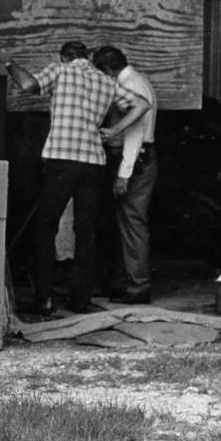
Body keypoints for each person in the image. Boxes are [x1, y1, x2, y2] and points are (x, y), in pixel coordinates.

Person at [0, 42, 151, 314]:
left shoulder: (60, 71)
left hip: (62, 160)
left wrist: (9, 64)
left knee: (46, 227)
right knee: (86, 232)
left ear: (64, 57)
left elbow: (29, 85)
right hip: (93, 162)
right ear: (86, 58)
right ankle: (80, 299)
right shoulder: (105, 81)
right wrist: (114, 130)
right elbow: (142, 104)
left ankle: (44, 298)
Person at [92, 45, 158, 305]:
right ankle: (130, 282)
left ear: (108, 70)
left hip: (135, 159)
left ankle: (138, 286)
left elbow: (135, 132)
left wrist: (124, 173)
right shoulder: (139, 80)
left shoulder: (130, 84)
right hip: (140, 158)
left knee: (132, 223)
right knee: (128, 223)